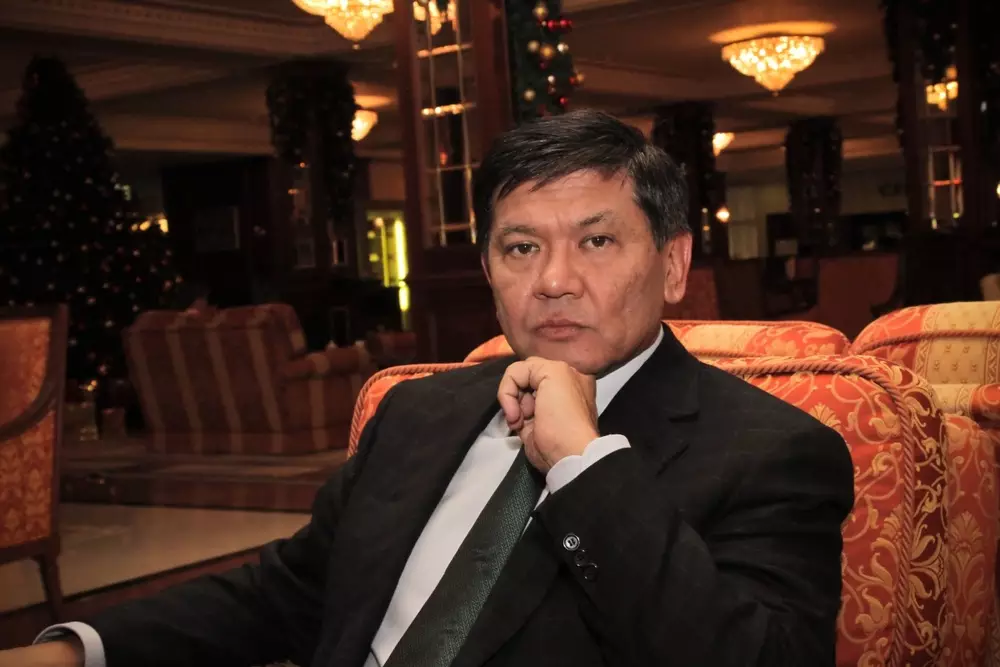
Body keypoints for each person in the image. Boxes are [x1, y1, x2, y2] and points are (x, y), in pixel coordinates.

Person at [1, 109, 854, 667]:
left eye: (596, 242)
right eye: (521, 248)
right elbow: (291, 592)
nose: (554, 280)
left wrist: (585, 465)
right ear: (488, 270)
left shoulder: (774, 453)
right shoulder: (419, 409)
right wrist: (78, 648)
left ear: (671, 263)